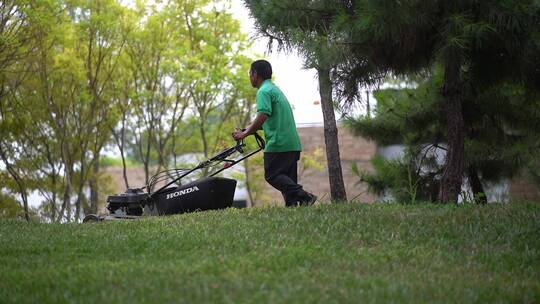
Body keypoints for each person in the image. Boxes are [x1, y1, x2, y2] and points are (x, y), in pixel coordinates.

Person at [232, 60, 317, 207]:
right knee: (288, 181)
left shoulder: (263, 91)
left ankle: (305, 196)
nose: (249, 77)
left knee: (272, 175)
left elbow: (263, 115)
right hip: (292, 143)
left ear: (255, 74)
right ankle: (294, 207)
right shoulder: (274, 90)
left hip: (279, 143)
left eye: (250, 73)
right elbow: (271, 119)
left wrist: (243, 135)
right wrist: (247, 130)